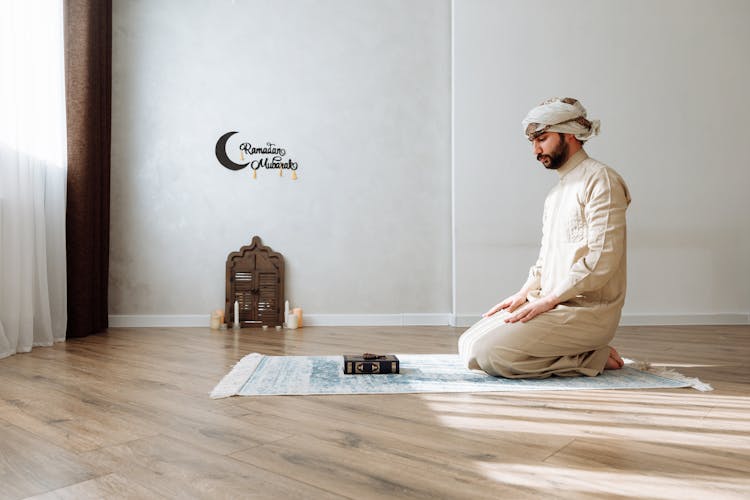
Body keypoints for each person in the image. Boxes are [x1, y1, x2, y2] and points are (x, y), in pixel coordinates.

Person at [458, 97, 631, 378]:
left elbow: (602, 262)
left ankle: (592, 355)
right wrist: (524, 294)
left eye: (542, 139)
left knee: (488, 354)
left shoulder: (602, 181)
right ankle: (583, 352)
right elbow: (545, 261)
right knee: (467, 345)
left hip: (586, 311)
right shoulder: (555, 194)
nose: (536, 150)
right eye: (532, 142)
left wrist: (548, 300)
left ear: (570, 134)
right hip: (548, 302)